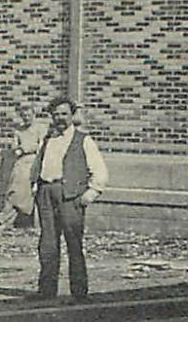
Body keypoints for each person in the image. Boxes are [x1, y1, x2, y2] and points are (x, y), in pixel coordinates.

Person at [30, 95, 108, 302]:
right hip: (47, 194)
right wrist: (35, 187)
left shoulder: (84, 140)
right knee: (47, 244)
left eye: (64, 114)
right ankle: (46, 291)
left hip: (70, 197)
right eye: (56, 115)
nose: (60, 118)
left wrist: (90, 194)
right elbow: (39, 164)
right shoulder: (48, 140)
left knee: (74, 244)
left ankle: (79, 292)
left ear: (72, 115)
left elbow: (99, 171)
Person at [0, 102, 50, 230]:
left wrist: (26, 149)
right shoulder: (18, 130)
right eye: (23, 115)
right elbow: (14, 147)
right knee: (14, 191)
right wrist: (18, 149)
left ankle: (7, 221)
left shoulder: (41, 128)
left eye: (28, 115)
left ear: (34, 114)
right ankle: (3, 221)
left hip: (33, 162)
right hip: (20, 164)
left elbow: (41, 147)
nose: (26, 117)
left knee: (29, 192)